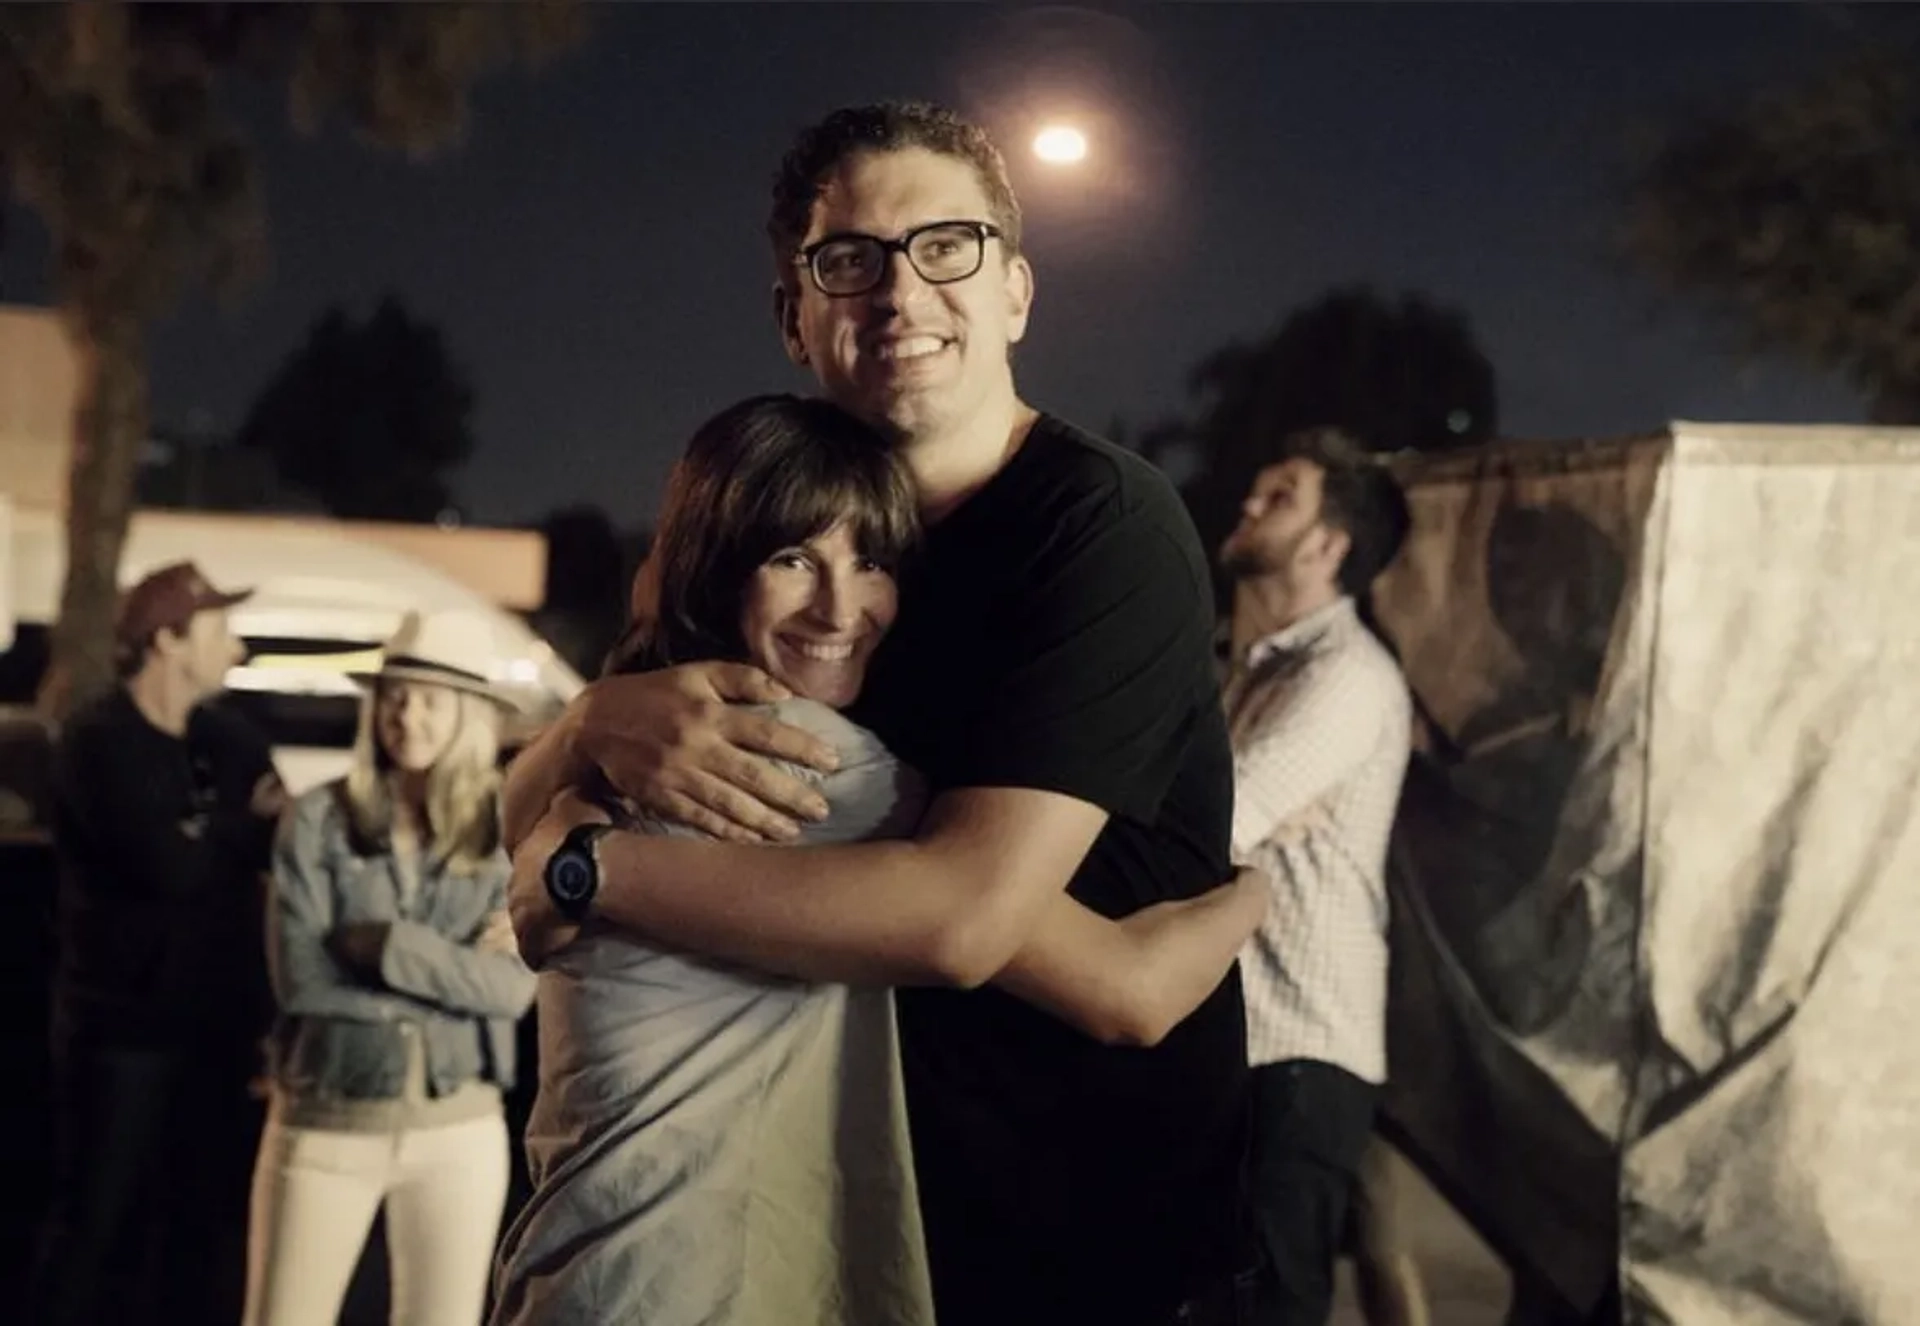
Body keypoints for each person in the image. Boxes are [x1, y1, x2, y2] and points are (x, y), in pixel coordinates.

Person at [504, 101, 1255, 1326]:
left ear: (1016, 292)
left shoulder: (1100, 529)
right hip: (865, 1218)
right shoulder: (794, 548)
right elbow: (528, 824)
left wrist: (592, 872)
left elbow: (964, 912)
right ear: (794, 318)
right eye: (849, 260)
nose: (900, 295)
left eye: (945, 247)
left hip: (1093, 1223)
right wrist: (590, 725)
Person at [242, 609, 536, 1326]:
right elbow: (302, 983)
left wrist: (388, 949)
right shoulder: (317, 819)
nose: (408, 715)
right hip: (326, 1120)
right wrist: (451, 973)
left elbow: (512, 991)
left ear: (471, 713)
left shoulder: (506, 830)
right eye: (396, 695)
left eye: (432, 698)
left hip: (460, 1133)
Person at [34, 560, 283, 1326]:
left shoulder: (232, 738)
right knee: (96, 1227)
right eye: (219, 629)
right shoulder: (98, 740)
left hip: (217, 1030)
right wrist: (235, 831)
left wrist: (211, 835)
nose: (235, 649)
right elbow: (165, 866)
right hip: (123, 1035)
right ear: (169, 640)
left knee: (198, 1235)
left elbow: (278, 840)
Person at [1217, 428, 1416, 1326]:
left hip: (1298, 1048)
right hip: (1247, 1043)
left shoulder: (1347, 675)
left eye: (1281, 497)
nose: (1251, 506)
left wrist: (1221, 813)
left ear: (1329, 545)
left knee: (1273, 1306)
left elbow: (1214, 824)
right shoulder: (1258, 670)